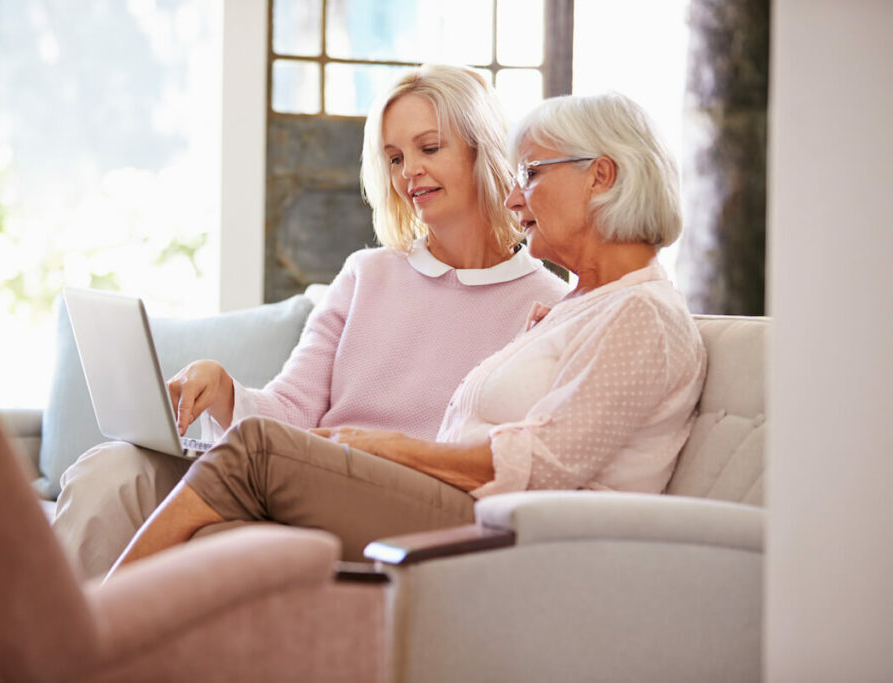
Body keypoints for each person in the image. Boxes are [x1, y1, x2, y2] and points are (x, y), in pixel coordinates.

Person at [104, 91, 708, 579]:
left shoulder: (642, 313)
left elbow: (546, 464)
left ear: (600, 176)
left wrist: (382, 447)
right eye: (394, 157)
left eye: (531, 173)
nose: (516, 194)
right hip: (474, 510)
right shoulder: (585, 306)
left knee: (258, 450)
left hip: (518, 537)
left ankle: (79, 637)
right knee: (220, 528)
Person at [53, 64, 569, 578]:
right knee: (111, 470)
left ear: (483, 149)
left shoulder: (549, 306)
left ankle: (88, 638)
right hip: (292, 475)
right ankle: (52, 649)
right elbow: (293, 409)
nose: (408, 170)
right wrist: (225, 391)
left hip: (390, 506)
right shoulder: (367, 275)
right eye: (394, 157)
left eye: (429, 148)